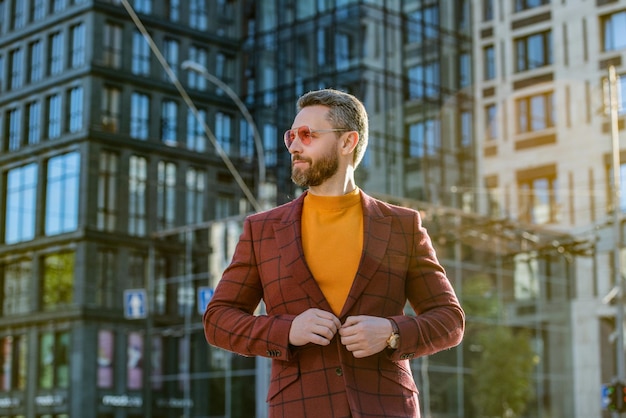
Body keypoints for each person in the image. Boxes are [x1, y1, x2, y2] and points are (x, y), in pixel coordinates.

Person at [203, 88, 465, 418]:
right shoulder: (262, 230)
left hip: (386, 408)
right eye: (291, 136)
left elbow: (450, 321)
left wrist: (392, 333)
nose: (295, 146)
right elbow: (218, 320)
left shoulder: (402, 226)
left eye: (307, 135)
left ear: (347, 142)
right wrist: (286, 331)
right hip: (298, 409)